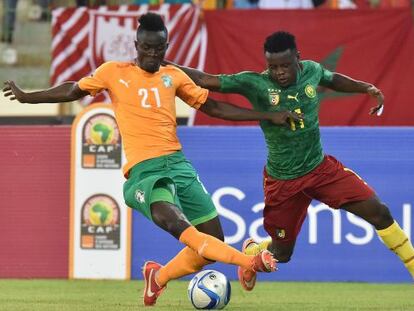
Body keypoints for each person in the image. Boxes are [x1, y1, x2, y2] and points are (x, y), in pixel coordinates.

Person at [2, 14, 316, 308]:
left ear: (167, 47)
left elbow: (216, 109)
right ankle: (248, 262)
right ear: (136, 46)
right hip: (145, 172)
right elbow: (73, 90)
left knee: (213, 238)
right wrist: (30, 96)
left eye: (159, 48)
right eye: (147, 48)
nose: (153, 53)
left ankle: (159, 276)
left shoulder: (174, 76)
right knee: (179, 224)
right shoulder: (113, 72)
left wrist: (267, 115)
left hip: (178, 165)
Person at [168, 31, 414, 290]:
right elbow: (207, 80)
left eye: (285, 65)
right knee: (282, 254)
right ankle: (252, 252)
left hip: (321, 170)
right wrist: (166, 63)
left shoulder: (312, 71)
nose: (279, 72)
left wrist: (365, 88)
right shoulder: (255, 83)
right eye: (273, 67)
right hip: (283, 182)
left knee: (380, 212)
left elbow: (333, 79)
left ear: (298, 58)